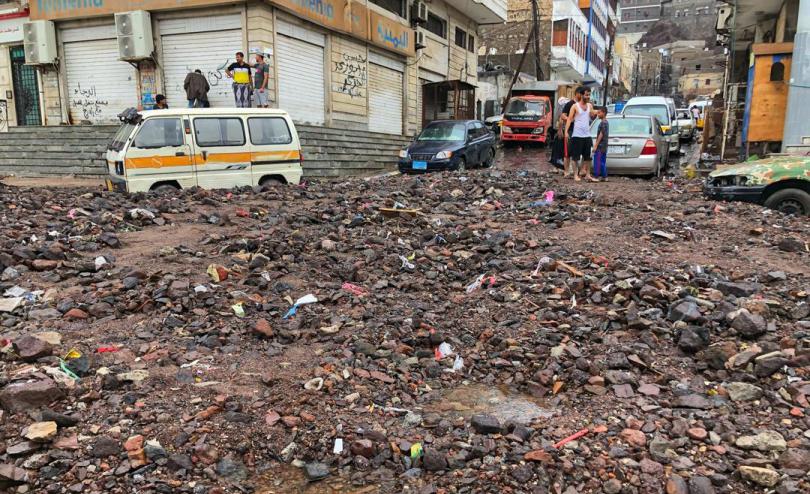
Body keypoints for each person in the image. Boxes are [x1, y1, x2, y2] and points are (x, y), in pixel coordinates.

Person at [564, 86, 597, 182]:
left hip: (587, 135)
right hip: (577, 135)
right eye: (586, 95)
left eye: (589, 95)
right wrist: (566, 132)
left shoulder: (590, 106)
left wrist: (596, 113)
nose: (588, 97)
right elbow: (569, 119)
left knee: (588, 157)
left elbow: (591, 114)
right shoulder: (575, 106)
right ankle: (575, 175)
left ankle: (587, 174)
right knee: (575, 158)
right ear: (582, 95)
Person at [560, 92, 580, 178]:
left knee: (577, 153)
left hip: (580, 132)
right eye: (584, 94)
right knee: (567, 152)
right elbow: (562, 116)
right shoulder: (569, 104)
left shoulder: (583, 105)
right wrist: (570, 120)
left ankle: (577, 172)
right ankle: (566, 172)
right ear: (578, 94)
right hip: (570, 131)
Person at [592, 106, 609, 182]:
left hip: (601, 145)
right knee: (602, 161)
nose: (598, 114)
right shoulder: (606, 122)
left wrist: (596, 145)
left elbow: (601, 134)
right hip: (604, 145)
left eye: (599, 113)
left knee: (598, 161)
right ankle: (604, 176)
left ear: (604, 113)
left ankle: (596, 176)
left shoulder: (603, 123)